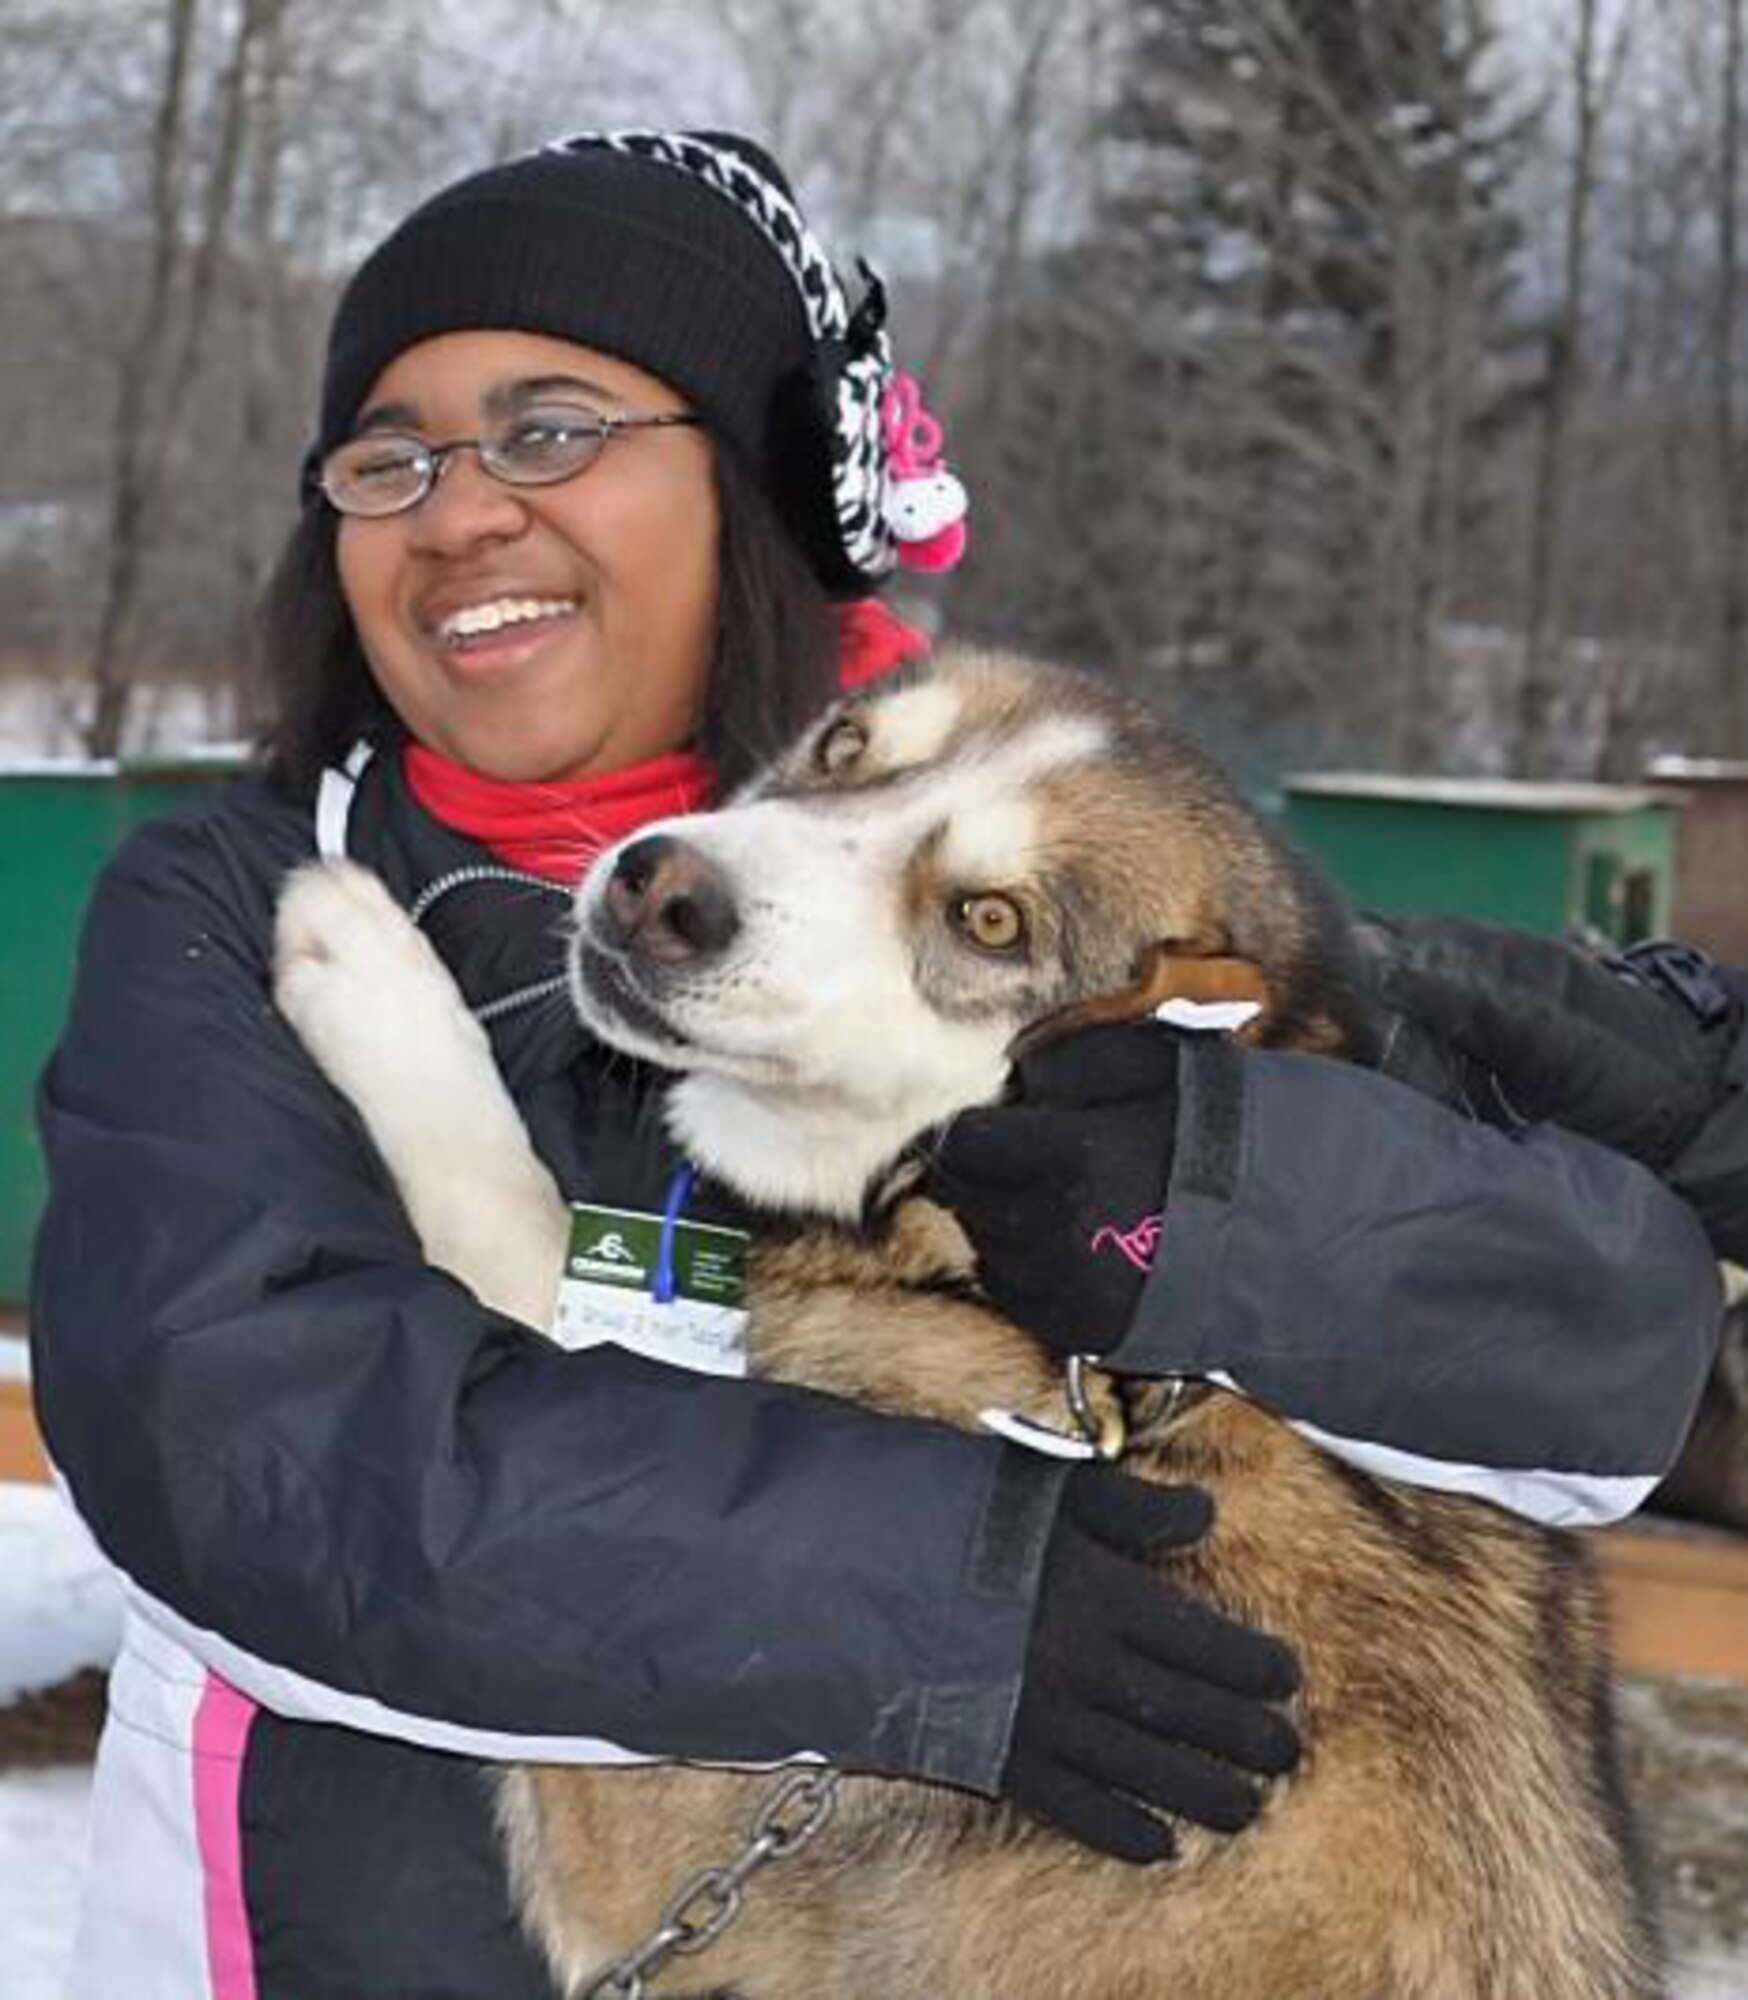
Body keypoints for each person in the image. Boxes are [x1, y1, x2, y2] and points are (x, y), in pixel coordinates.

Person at [26, 128, 1732, 2000]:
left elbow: (1614, 1348)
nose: (459, 510)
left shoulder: (1123, 873)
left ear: (758, 488)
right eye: (389, 456)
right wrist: (939, 1592)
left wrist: (1220, 1203)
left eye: (551, 429)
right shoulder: (231, 894)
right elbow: (261, 1443)